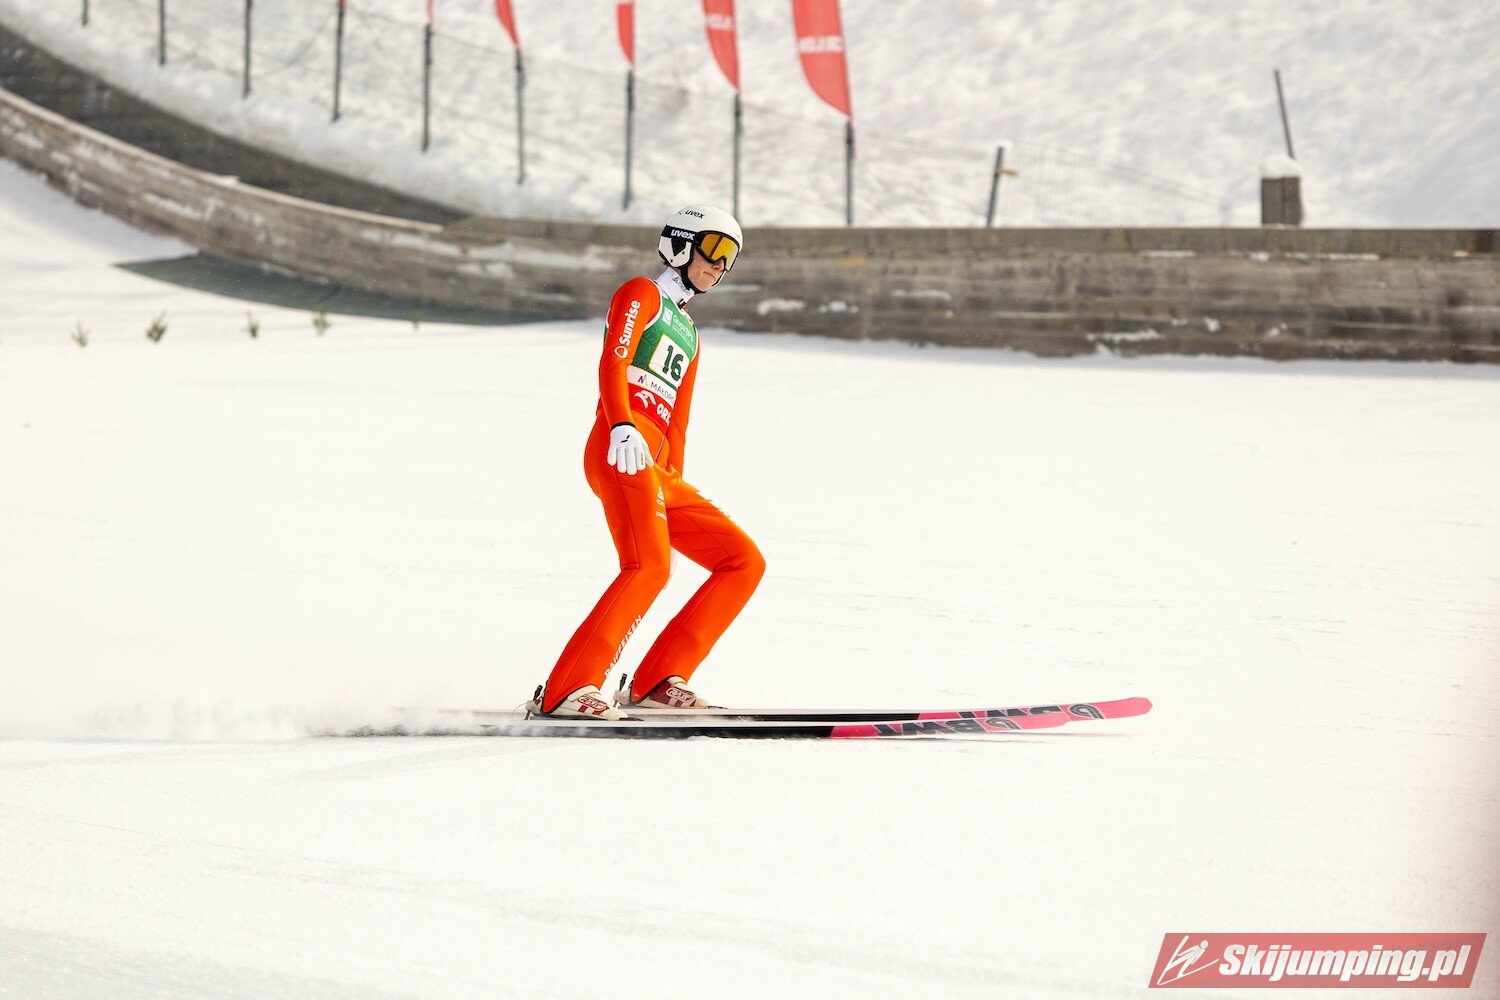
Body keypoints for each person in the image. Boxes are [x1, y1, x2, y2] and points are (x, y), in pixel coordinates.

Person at [534, 205, 765, 719]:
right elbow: (613, 361)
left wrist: (673, 480)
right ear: (680, 244)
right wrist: (621, 423)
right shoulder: (642, 294)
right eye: (714, 249)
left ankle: (659, 679)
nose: (719, 266)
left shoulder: (690, 333)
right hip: (619, 448)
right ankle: (568, 689)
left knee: (743, 561)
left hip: (657, 470)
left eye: (730, 258)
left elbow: (678, 418)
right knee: (649, 567)